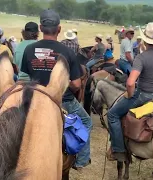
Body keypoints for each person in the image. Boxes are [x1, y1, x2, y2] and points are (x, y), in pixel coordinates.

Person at [20, 9, 92, 170]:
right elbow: (76, 85)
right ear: (59, 29)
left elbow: (24, 79)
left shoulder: (29, 49)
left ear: (40, 28)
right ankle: (81, 161)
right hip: (63, 100)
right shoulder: (67, 52)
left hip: (35, 99)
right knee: (87, 121)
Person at [106, 22, 153, 161]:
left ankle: (118, 150)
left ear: (145, 40)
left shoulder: (142, 57)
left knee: (112, 115)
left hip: (143, 95)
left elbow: (130, 83)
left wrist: (129, 94)